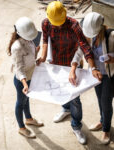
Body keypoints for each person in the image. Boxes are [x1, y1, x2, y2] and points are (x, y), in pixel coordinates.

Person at [37, 1, 102, 144]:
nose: (57, 25)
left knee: (75, 97)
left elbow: (84, 47)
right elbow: (45, 41)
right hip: (56, 63)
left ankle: (76, 126)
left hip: (72, 64)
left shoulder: (74, 25)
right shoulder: (46, 23)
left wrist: (93, 68)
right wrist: (43, 56)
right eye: (55, 22)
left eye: (59, 22)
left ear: (65, 16)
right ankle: (65, 109)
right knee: (61, 90)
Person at [70, 12, 114, 144]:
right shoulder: (87, 35)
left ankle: (106, 130)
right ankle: (102, 121)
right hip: (94, 74)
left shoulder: (111, 36)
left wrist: (111, 58)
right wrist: (73, 69)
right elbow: (79, 52)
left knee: (106, 104)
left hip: (109, 75)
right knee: (100, 100)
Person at [7, 17, 43, 138]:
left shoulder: (30, 39)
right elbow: (19, 68)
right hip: (21, 80)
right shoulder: (17, 47)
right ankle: (21, 128)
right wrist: (25, 83)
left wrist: (36, 54)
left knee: (26, 99)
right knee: (20, 102)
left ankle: (28, 118)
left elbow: (29, 56)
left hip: (30, 75)